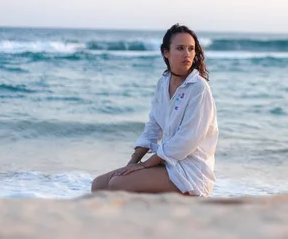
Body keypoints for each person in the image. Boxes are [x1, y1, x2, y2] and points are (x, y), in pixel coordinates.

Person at [91, 24, 219, 197]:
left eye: (191, 49)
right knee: (99, 185)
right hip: (167, 162)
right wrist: (133, 162)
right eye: (180, 48)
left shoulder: (199, 88)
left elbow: (187, 139)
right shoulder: (164, 82)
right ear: (166, 52)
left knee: (118, 184)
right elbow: (154, 126)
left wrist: (147, 164)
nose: (187, 54)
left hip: (191, 171)